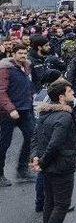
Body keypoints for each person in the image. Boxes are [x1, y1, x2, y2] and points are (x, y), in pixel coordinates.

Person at [30, 79, 76, 223]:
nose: (73, 94)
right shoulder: (65, 116)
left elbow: (35, 137)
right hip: (61, 166)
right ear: (61, 97)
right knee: (62, 204)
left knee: (50, 202)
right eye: (70, 92)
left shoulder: (44, 114)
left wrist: (36, 158)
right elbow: (55, 144)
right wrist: (41, 162)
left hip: (47, 166)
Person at [0, 43, 36, 186]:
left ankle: (22, 169)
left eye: (24, 53)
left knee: (32, 137)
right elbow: (1, 91)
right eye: (20, 53)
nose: (23, 55)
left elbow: (27, 85)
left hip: (25, 109)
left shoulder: (26, 66)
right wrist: (11, 109)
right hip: (8, 113)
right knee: (4, 143)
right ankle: (0, 174)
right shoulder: (5, 69)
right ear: (13, 54)